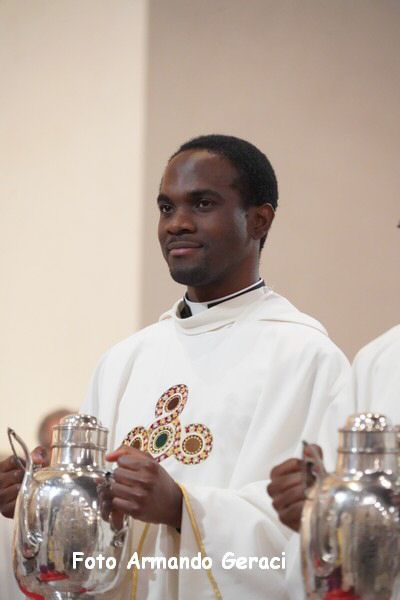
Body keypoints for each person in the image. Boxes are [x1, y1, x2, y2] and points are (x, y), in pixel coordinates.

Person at [0, 134, 350, 600]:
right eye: (166, 208)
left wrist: (181, 508)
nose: (177, 224)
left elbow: (317, 538)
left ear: (259, 219)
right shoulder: (125, 360)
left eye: (202, 204)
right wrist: (39, 503)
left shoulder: (306, 358)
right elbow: (90, 539)